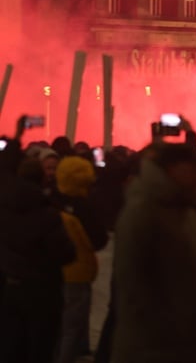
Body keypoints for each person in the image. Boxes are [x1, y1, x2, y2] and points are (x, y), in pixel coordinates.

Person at [111, 143, 196, 363]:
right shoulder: (142, 212)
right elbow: (133, 284)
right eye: (191, 167)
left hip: (185, 343)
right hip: (152, 346)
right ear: (173, 168)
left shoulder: (187, 212)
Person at [0, 145, 76, 363]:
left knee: (12, 348)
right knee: (41, 349)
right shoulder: (48, 214)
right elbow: (66, 253)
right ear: (43, 179)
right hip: (44, 291)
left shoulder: (5, 210)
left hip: (12, 288)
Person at [53, 155, 109, 363]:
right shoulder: (86, 208)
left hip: (53, 271)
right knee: (73, 325)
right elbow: (99, 239)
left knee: (58, 322)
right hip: (79, 271)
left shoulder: (50, 202)